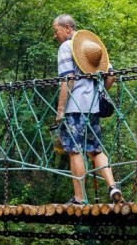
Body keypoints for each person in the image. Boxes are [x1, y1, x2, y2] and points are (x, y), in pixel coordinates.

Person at [52, 14, 126, 206]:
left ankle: (79, 198)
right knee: (95, 150)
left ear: (67, 28)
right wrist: (98, 93)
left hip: (74, 107)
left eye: (56, 31)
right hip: (92, 108)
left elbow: (67, 79)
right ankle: (112, 187)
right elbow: (111, 75)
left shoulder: (66, 47)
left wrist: (60, 110)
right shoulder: (92, 48)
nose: (55, 35)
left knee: (75, 151)